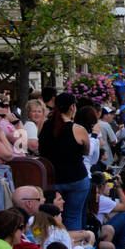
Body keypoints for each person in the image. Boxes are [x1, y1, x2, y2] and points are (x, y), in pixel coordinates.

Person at [38, 94, 92, 232]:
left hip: (53, 179)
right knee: (74, 216)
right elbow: (86, 151)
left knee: (52, 217)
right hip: (76, 178)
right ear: (72, 107)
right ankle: (75, 247)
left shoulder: (45, 127)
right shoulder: (78, 129)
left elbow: (41, 150)